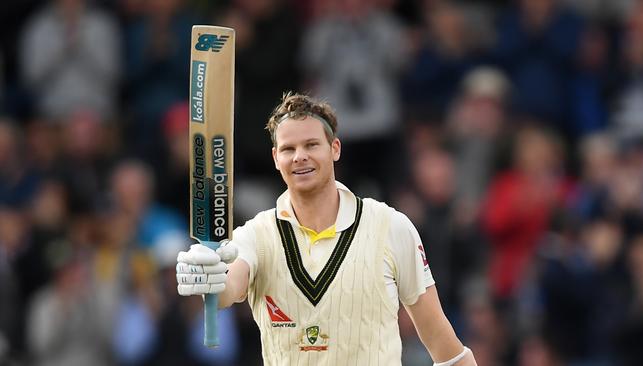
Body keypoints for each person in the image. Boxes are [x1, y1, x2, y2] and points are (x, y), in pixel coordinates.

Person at [176, 93, 478, 366]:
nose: (300, 156)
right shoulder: (257, 234)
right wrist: (209, 281)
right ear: (275, 159)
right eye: (288, 148)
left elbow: (446, 348)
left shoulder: (390, 226)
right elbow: (229, 289)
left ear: (334, 148)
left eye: (311, 145)